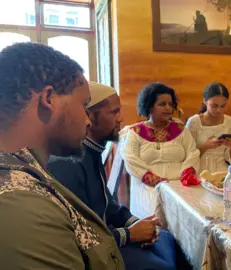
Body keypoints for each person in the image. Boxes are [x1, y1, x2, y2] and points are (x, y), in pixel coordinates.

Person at [0, 43, 123, 269]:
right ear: (49, 99)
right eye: (83, 105)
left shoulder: (29, 170)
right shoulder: (20, 203)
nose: (87, 121)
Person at [48, 82, 190, 270]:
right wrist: (129, 234)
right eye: (113, 112)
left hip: (110, 238)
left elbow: (108, 204)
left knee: (170, 240)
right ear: (88, 116)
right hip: (96, 253)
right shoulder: (67, 163)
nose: (121, 118)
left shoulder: (91, 152)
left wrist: (137, 223)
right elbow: (78, 235)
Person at [122, 82, 200, 219]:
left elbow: (193, 154)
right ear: (150, 106)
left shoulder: (181, 129)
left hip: (179, 186)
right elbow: (130, 161)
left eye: (170, 104)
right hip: (149, 188)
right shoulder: (135, 132)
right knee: (155, 219)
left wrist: (183, 177)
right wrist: (159, 183)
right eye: (162, 104)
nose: (168, 108)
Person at [186, 83, 231, 173]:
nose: (219, 110)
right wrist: (206, 146)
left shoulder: (230, 122)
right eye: (214, 106)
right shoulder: (194, 122)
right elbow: (187, 155)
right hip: (199, 170)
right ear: (205, 101)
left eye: (223, 106)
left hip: (223, 170)